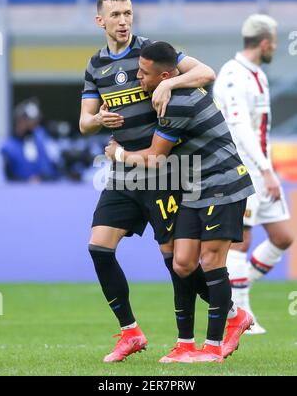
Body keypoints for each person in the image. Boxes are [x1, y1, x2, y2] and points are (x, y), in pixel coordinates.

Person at [79, 0, 216, 362]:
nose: (123, 21)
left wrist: (170, 82)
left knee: (178, 264)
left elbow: (206, 72)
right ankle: (130, 332)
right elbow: (83, 123)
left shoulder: (151, 51)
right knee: (98, 248)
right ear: (100, 20)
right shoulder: (96, 66)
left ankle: (230, 312)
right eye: (116, 15)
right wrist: (98, 119)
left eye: (128, 13)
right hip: (123, 173)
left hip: (162, 170)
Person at [105, 41, 255, 363]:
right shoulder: (171, 88)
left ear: (165, 75)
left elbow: (156, 158)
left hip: (222, 184)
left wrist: (117, 154)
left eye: (144, 73)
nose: (137, 78)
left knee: (213, 261)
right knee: (183, 263)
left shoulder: (178, 103)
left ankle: (212, 348)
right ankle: (190, 342)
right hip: (194, 189)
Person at [214, 14, 294, 334]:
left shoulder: (256, 73)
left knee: (283, 237)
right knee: (240, 241)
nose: (276, 46)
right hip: (243, 169)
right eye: (274, 40)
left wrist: (268, 169)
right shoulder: (233, 76)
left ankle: (237, 287)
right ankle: (243, 316)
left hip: (263, 170)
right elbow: (240, 129)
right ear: (264, 42)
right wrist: (264, 169)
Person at [1, 98, 59, 182]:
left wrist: (42, 178)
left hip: (45, 188)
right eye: (28, 121)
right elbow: (6, 176)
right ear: (19, 121)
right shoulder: (7, 146)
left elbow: (51, 170)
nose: (33, 125)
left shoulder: (43, 140)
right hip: (18, 190)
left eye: (35, 122)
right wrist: (27, 180)